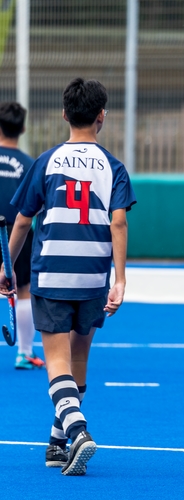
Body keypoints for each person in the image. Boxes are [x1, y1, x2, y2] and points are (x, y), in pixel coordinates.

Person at [0, 78, 136, 475]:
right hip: (93, 274)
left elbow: (22, 222)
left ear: (64, 115)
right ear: (101, 117)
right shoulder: (113, 166)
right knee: (79, 359)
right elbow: (120, 223)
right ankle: (57, 444)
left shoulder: (46, 161)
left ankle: (77, 431)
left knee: (57, 362)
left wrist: (6, 268)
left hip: (53, 273)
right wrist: (121, 279)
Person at [0, 101, 45, 369]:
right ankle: (25, 353)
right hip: (19, 231)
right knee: (24, 290)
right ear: (23, 128)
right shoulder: (30, 164)